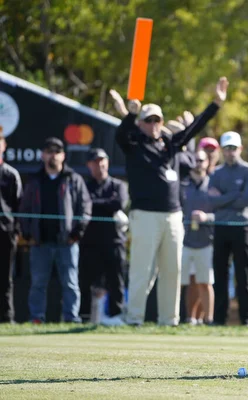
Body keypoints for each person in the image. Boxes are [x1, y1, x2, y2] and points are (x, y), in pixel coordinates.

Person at [115, 77, 228, 326]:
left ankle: (169, 320)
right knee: (141, 269)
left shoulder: (170, 144)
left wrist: (216, 104)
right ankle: (133, 317)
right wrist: (129, 115)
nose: (154, 124)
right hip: (144, 215)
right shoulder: (134, 144)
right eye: (149, 120)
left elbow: (193, 129)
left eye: (158, 120)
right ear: (141, 123)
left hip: (173, 216)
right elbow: (121, 135)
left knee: (173, 270)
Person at [19, 137, 92, 323]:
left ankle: (71, 318)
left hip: (67, 242)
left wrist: (77, 233)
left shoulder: (73, 179)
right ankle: (36, 318)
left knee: (70, 283)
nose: (53, 155)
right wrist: (27, 233)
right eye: (49, 151)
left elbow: (85, 208)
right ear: (43, 155)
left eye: (57, 151)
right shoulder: (35, 180)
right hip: (40, 242)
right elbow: (24, 209)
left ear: (63, 156)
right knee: (38, 284)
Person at [208, 131, 248, 326]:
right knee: (220, 275)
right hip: (221, 227)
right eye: (227, 148)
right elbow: (211, 201)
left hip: (243, 228)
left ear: (240, 149)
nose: (230, 152)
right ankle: (219, 318)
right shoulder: (216, 172)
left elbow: (246, 201)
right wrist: (234, 194)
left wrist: (223, 197)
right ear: (222, 150)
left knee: (243, 275)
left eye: (233, 148)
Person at [78, 148, 129, 324]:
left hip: (114, 241)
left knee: (116, 281)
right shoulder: (84, 185)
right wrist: (104, 204)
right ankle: (84, 318)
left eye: (102, 160)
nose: (100, 164)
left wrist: (94, 203)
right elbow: (83, 205)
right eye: (95, 161)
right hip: (89, 242)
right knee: (86, 283)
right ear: (89, 165)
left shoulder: (118, 185)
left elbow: (119, 203)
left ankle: (116, 317)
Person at [181, 149, 215, 325]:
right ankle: (190, 318)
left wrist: (206, 218)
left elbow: (221, 214)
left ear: (207, 162)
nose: (197, 163)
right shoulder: (183, 186)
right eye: (194, 160)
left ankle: (208, 319)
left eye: (201, 160)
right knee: (189, 282)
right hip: (185, 241)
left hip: (206, 241)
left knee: (205, 281)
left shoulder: (213, 185)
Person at [0, 132, 22, 323]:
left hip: (5, 233)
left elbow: (19, 206)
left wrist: (15, 232)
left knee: (5, 278)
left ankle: (7, 319)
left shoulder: (11, 174)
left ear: (4, 146)